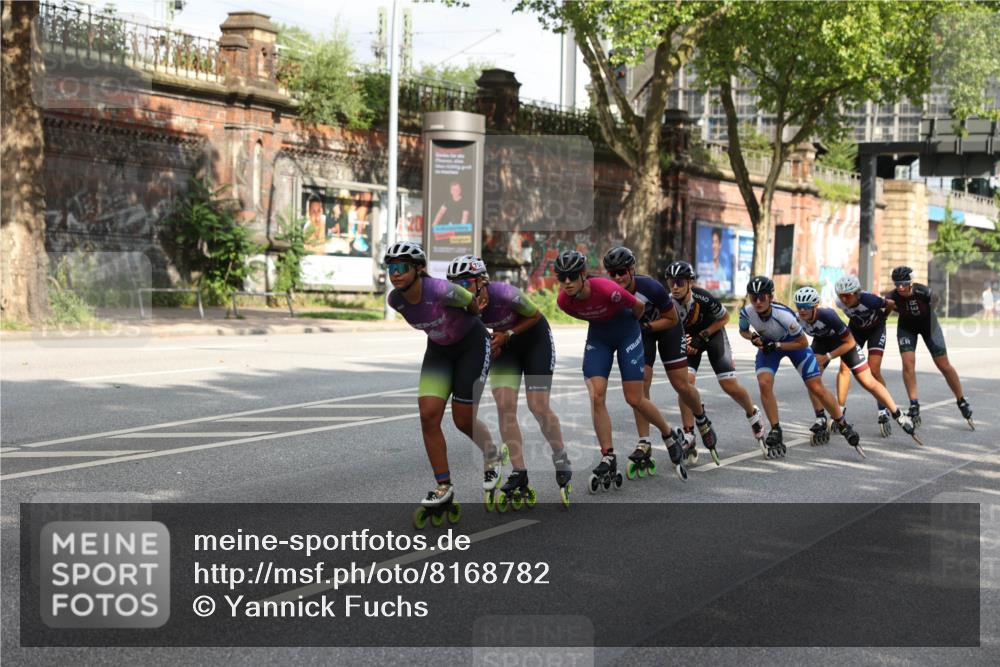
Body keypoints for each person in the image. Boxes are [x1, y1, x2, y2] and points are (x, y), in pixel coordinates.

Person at [383, 242, 504, 527]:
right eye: (391, 268)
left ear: (419, 269)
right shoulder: (395, 300)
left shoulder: (438, 289)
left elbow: (469, 301)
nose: (395, 274)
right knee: (428, 415)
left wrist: (477, 313)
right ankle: (444, 487)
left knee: (463, 419)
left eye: (401, 268)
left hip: (471, 346)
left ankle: (493, 453)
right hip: (438, 351)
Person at [554, 250, 689, 489]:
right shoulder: (564, 302)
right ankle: (608, 454)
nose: (567, 282)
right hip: (600, 338)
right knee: (596, 395)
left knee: (634, 398)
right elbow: (583, 314)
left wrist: (631, 327)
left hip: (628, 334)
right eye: (561, 277)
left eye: (572, 276)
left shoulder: (607, 289)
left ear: (583, 274)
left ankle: (669, 434)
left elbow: (637, 307)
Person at [446, 255, 572, 508]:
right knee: (504, 405)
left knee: (538, 406)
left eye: (466, 283)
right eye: (455, 285)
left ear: (482, 281)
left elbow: (535, 315)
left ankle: (561, 457)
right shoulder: (461, 308)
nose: (461, 290)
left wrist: (509, 334)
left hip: (535, 340)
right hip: (506, 347)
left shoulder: (504, 293)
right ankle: (519, 472)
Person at [603, 248, 719, 469]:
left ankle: (702, 419)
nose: (618, 278)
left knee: (681, 384)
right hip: (642, 334)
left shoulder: (649, 287)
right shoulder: (610, 292)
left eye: (622, 272)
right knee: (640, 383)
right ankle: (644, 442)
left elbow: (672, 318)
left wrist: (647, 325)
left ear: (631, 270)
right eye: (613, 273)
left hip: (667, 328)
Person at [739, 276, 864, 459]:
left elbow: (803, 342)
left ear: (771, 297)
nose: (758, 302)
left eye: (763, 297)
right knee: (764, 383)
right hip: (770, 346)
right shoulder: (747, 312)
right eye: (753, 297)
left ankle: (843, 424)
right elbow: (743, 331)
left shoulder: (784, 316)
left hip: (793, 344)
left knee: (816, 387)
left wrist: (779, 346)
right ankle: (775, 429)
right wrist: (753, 338)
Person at [793, 286, 916, 443]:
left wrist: (828, 357)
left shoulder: (828, 316)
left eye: (807, 307)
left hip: (843, 344)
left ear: (815, 306)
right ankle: (820, 418)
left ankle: (898, 414)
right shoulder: (796, 319)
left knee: (868, 381)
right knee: (811, 380)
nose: (802, 311)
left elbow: (850, 342)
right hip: (821, 344)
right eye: (799, 307)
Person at [665, 261, 764, 451]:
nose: (675, 287)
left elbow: (725, 318)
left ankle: (753, 414)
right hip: (690, 340)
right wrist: (685, 341)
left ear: (690, 283)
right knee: (684, 385)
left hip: (713, 335)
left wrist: (702, 336)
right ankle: (688, 433)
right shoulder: (669, 303)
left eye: (679, 282)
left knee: (729, 385)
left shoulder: (703, 297)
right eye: (671, 283)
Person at [884, 266, 973, 429]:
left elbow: (936, 301)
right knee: (908, 364)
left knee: (943, 365)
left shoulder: (923, 292)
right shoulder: (892, 296)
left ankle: (961, 400)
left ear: (911, 282)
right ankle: (914, 404)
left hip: (929, 326)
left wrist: (929, 313)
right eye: (897, 284)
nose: (900, 287)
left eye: (904, 283)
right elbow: (888, 308)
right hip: (906, 328)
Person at [833, 275, 894, 434]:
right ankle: (840, 409)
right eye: (841, 296)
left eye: (848, 295)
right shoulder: (839, 303)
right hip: (856, 331)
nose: (844, 299)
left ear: (857, 293)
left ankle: (882, 410)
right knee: (844, 367)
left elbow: (891, 303)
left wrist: (885, 316)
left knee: (873, 371)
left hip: (876, 329)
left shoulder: (870, 300)